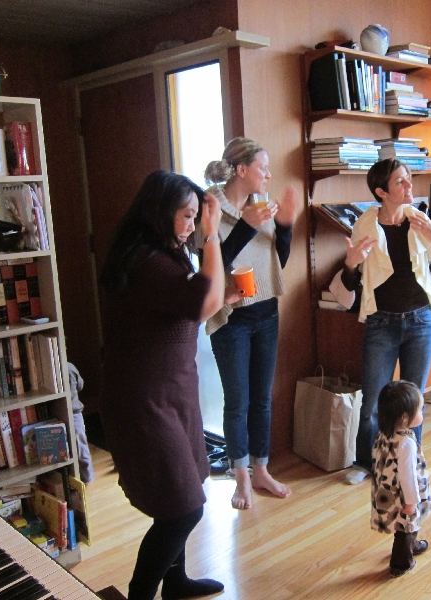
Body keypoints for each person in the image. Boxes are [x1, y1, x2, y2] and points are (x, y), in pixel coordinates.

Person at [98, 170, 226, 600]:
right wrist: (212, 236)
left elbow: (182, 311)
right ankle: (140, 595)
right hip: (144, 401)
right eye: (186, 215)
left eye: (196, 216)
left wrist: (220, 298)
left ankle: (176, 582)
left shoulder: (162, 254)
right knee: (182, 509)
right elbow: (199, 300)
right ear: (159, 212)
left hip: (172, 392)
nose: (192, 224)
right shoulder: (146, 261)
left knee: (181, 491)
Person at [204, 137, 299, 510]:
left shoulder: (261, 205)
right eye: (263, 167)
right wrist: (245, 226)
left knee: (262, 398)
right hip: (233, 317)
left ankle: (261, 470)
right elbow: (212, 262)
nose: (269, 174)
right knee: (238, 402)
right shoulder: (211, 206)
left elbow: (277, 260)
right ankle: (240, 476)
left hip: (266, 312)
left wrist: (286, 226)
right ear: (241, 170)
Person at [342, 158, 431, 485]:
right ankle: (366, 462)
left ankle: (409, 461)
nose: (409, 186)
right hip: (381, 323)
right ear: (381, 192)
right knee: (373, 400)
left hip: (421, 321)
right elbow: (350, 283)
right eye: (400, 181)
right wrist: (351, 263)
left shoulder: (420, 221)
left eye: (408, 178)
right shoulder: (365, 225)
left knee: (414, 401)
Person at [371, 380, 431, 578]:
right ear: (405, 418)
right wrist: (411, 501)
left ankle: (411, 544)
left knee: (406, 524)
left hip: (386, 489)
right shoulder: (406, 443)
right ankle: (401, 562)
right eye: (420, 409)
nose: (422, 412)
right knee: (405, 526)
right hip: (403, 494)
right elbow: (407, 475)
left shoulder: (386, 432)